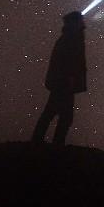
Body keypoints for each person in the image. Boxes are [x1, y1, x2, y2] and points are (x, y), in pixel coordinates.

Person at [31, 11, 87, 144]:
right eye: (80, 20)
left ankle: (40, 141)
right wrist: (71, 77)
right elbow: (69, 60)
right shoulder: (71, 38)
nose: (83, 22)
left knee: (53, 113)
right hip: (64, 82)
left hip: (62, 81)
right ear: (75, 22)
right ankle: (54, 145)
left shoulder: (69, 37)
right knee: (63, 115)